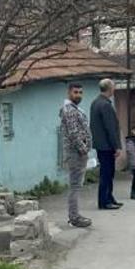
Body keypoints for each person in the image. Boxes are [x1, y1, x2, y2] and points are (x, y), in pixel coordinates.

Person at [60, 83, 92, 228]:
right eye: (75, 92)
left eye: (80, 92)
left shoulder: (74, 108)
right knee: (75, 186)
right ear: (69, 93)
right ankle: (74, 217)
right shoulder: (69, 110)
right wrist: (83, 149)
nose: (78, 95)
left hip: (78, 152)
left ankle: (75, 215)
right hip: (75, 153)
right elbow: (73, 133)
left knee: (77, 185)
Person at [90, 78, 122, 211]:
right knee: (107, 173)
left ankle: (109, 197)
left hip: (100, 144)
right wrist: (117, 146)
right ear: (109, 88)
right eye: (113, 87)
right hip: (107, 145)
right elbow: (110, 127)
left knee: (108, 172)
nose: (114, 89)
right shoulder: (105, 105)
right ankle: (104, 201)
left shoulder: (96, 102)